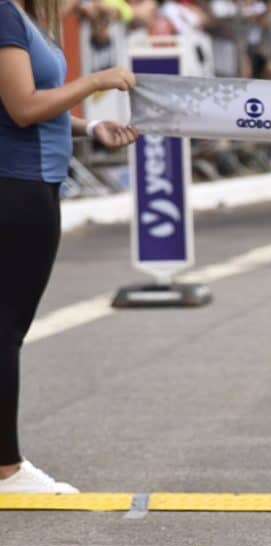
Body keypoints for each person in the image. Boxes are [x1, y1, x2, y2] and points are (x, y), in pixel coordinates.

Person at [0, 0, 138, 493]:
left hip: (32, 182)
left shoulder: (26, 17)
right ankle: (7, 470)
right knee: (5, 329)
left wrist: (89, 127)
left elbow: (33, 103)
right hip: (18, 185)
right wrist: (95, 81)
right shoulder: (6, 15)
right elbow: (23, 108)